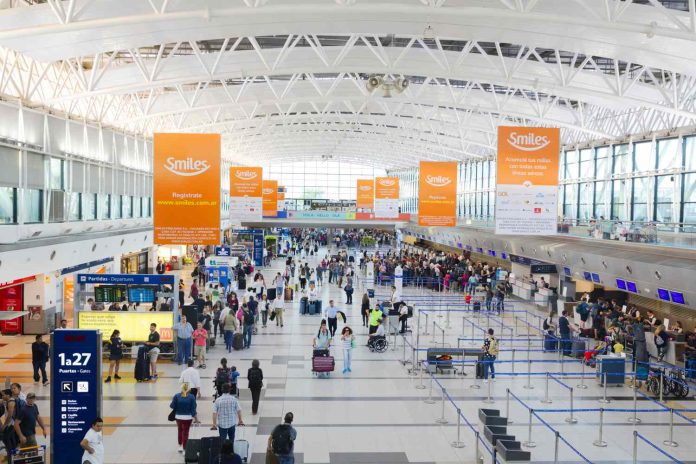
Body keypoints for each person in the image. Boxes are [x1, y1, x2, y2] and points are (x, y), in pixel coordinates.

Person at [170, 383, 198, 453]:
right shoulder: (192, 397)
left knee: (180, 431)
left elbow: (172, 406)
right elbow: (193, 409)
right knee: (186, 432)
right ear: (189, 389)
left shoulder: (177, 396)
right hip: (188, 418)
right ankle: (185, 448)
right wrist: (196, 419)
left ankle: (180, 446)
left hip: (178, 417)